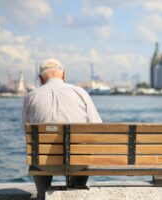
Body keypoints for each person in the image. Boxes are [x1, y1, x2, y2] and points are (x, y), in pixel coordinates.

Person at [22, 58, 102, 200]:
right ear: (64, 75)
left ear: (40, 79)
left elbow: (26, 130)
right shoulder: (81, 93)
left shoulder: (30, 97)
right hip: (78, 163)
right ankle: (76, 192)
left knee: (38, 154)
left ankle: (43, 195)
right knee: (81, 154)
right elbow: (97, 127)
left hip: (44, 165)